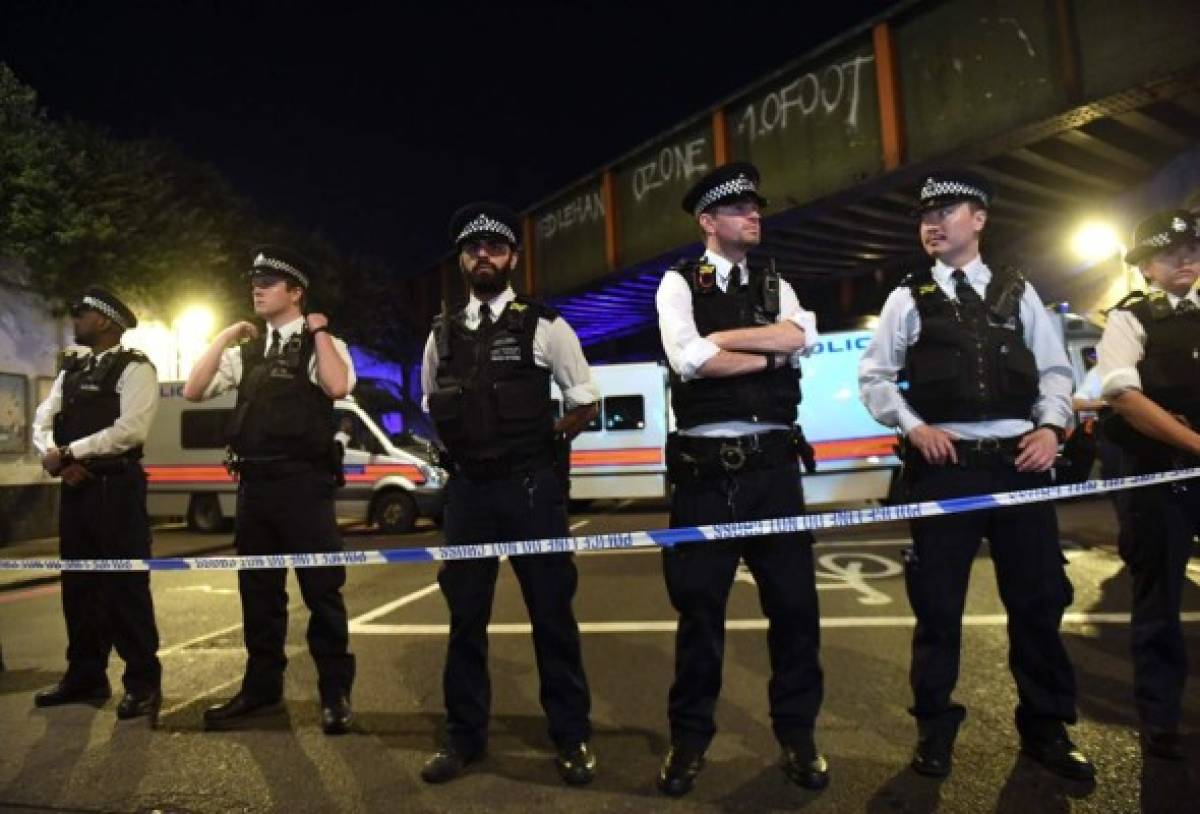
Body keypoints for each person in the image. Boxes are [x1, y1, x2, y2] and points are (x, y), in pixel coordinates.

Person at [858, 170, 1095, 780]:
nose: (933, 224)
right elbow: (876, 378)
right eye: (925, 215)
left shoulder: (1019, 291)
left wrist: (1050, 428)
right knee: (938, 609)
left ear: (980, 220)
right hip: (947, 471)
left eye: (947, 211)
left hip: (1020, 465)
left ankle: (1046, 729)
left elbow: (1056, 371)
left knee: (1039, 602)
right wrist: (914, 427)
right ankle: (934, 729)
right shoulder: (906, 297)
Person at [654, 162, 827, 797]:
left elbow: (802, 335)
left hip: (774, 471)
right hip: (706, 477)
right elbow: (688, 358)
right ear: (708, 221)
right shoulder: (677, 284)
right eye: (739, 208)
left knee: (795, 610)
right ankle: (690, 741)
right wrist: (769, 351)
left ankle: (798, 736)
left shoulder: (775, 279)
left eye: (756, 206)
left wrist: (727, 337)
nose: (754, 214)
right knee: (700, 615)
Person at [419, 202, 599, 786]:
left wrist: (545, 450)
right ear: (462, 261)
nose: (483, 257)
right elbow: (431, 405)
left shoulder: (546, 325)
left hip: (529, 489)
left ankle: (571, 737)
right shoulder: (440, 333)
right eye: (473, 249)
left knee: (551, 616)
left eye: (494, 248)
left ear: (512, 258)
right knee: (464, 620)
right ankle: (463, 738)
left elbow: (584, 401)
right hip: (468, 494)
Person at [182, 246, 356, 735]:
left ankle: (335, 694)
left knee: (323, 593)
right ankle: (261, 690)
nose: (257, 287)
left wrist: (319, 330)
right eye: (254, 280)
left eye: (270, 281)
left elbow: (338, 386)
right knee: (258, 595)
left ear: (295, 292)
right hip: (254, 487)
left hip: (304, 484)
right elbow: (194, 390)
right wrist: (222, 336)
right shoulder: (246, 353)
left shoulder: (325, 343)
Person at [1093, 209, 1200, 760]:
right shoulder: (1129, 320)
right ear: (1146, 268)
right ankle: (1160, 718)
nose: (1184, 260)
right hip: (1158, 477)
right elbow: (1125, 398)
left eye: (1192, 250)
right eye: (1169, 253)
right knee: (1158, 599)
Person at [31, 287, 162, 724]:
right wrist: (56, 457)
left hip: (116, 489)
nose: (75, 318)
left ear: (105, 321)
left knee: (125, 590)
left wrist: (71, 452)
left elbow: (131, 431)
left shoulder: (136, 368)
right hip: (77, 489)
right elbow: (42, 420)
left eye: (82, 312)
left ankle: (143, 683)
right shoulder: (72, 369)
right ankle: (85, 675)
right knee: (79, 589)